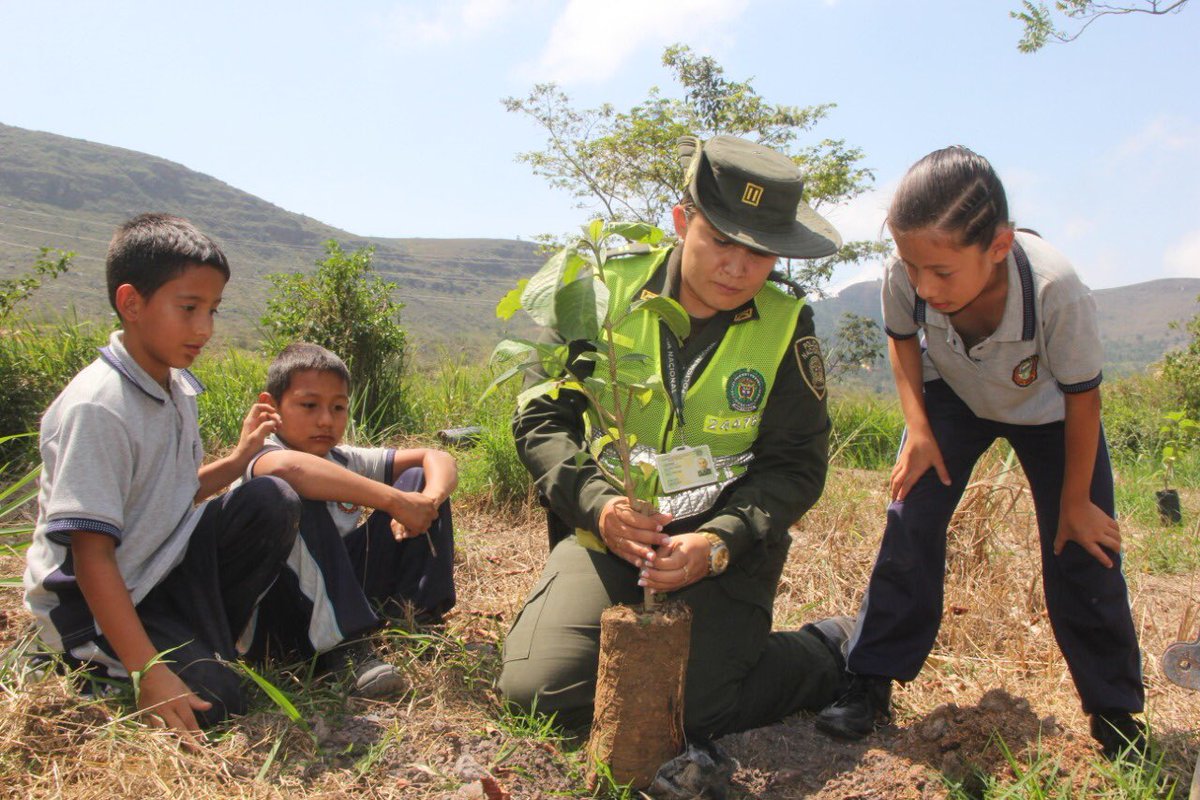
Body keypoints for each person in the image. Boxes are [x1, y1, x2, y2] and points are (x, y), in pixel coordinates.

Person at [498, 134, 854, 740]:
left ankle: (828, 649)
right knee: (538, 695)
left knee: (691, 715)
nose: (738, 268)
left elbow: (795, 467)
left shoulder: (786, 327)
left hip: (722, 555)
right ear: (682, 220)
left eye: (761, 253)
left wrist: (718, 541)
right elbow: (540, 420)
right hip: (611, 536)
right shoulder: (602, 295)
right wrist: (600, 507)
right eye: (720, 240)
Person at [814, 146, 1145, 759]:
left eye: (941, 272)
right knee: (910, 517)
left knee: (1084, 549)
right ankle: (870, 681)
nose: (923, 284)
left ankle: (1116, 715)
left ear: (998, 246)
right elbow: (901, 343)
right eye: (912, 267)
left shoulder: (1055, 290)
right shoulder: (908, 272)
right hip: (954, 400)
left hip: (1052, 416)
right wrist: (918, 430)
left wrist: (1075, 501)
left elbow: (1083, 399)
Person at [24, 213, 301, 739]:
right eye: (189, 308)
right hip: (98, 600)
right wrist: (149, 673)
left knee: (271, 498)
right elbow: (91, 555)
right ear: (132, 303)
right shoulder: (99, 408)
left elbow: (168, 496)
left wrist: (240, 460)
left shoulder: (175, 386)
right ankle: (90, 667)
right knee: (215, 704)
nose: (205, 329)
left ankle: (195, 640)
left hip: (160, 568)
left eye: (213, 310)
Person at [236, 342, 458, 696]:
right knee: (290, 494)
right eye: (309, 405)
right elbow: (290, 469)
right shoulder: (261, 454)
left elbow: (435, 456)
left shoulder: (343, 458)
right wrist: (392, 500)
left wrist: (425, 501)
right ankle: (347, 648)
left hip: (333, 593)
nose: (326, 420)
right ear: (272, 407)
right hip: (278, 620)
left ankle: (417, 616)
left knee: (418, 480)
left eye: (338, 407)